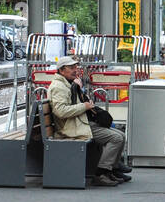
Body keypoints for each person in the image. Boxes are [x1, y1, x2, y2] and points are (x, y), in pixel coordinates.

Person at [47, 56, 131, 187]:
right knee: (116, 138)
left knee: (120, 135)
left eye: (76, 67)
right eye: (71, 68)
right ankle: (101, 173)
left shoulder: (67, 83)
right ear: (62, 70)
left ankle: (111, 170)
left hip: (78, 122)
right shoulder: (59, 87)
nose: (75, 70)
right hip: (71, 127)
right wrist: (84, 106)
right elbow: (61, 111)